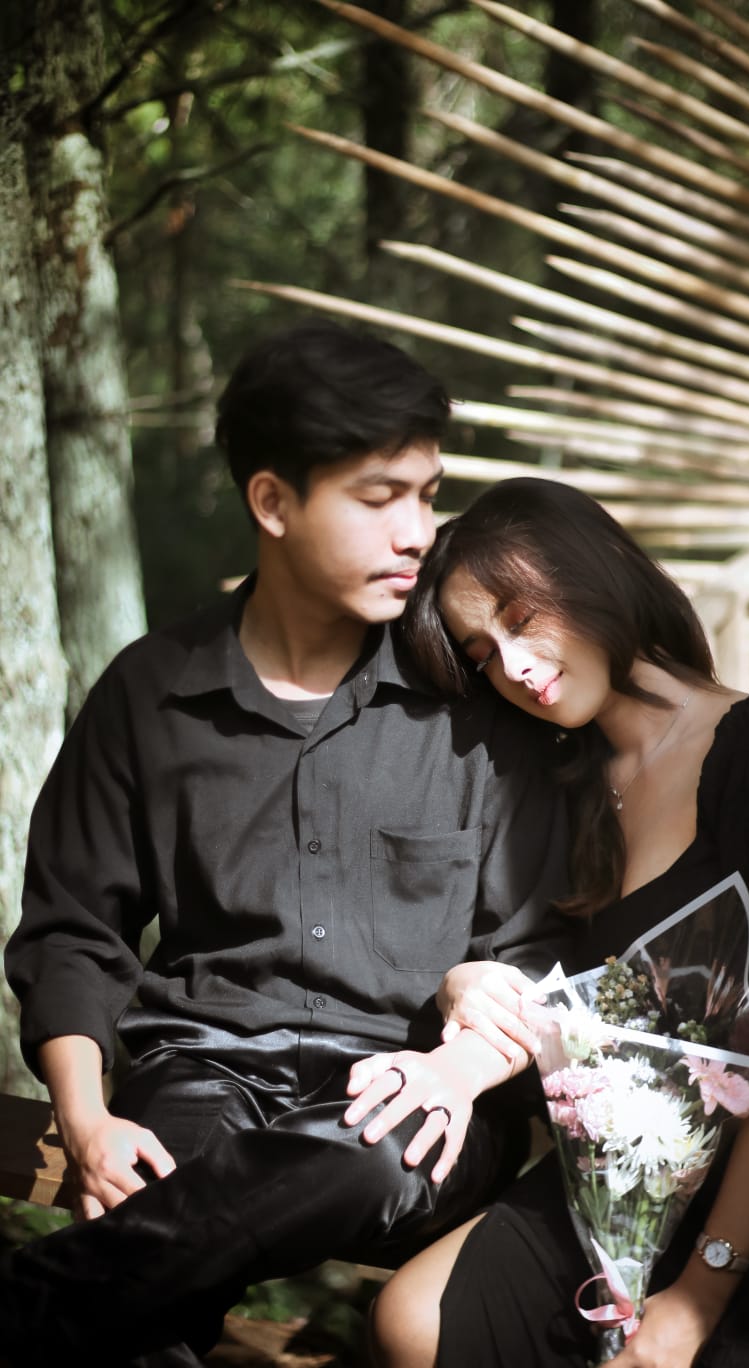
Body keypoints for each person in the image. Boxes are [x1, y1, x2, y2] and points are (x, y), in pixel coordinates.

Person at [0, 331, 568, 1367]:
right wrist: (85, 1121)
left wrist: (454, 1070)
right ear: (272, 502)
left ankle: (33, 1298)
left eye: (428, 494)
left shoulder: (477, 705)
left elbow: (533, 951)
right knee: (154, 1213)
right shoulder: (149, 695)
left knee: (361, 1156)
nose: (417, 533)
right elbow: (73, 932)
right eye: (379, 497)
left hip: (416, 1092)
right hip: (201, 1070)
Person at [368, 476, 749, 1368]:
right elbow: (563, 993)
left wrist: (695, 1300)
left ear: (597, 572)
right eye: (482, 652)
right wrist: (467, 983)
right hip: (632, 1170)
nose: (514, 665)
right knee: (413, 1317)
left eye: (522, 617)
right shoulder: (563, 791)